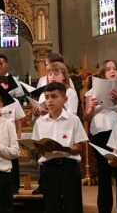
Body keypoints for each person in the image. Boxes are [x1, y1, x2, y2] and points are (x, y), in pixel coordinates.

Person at [32, 82, 88, 213]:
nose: (49, 100)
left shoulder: (73, 120)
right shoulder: (40, 122)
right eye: (47, 97)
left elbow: (80, 147)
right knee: (51, 205)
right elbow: (36, 147)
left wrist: (63, 148)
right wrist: (39, 148)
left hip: (69, 166)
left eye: (54, 96)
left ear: (65, 99)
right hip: (48, 167)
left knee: (72, 205)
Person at [84, 60, 117, 213]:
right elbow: (87, 117)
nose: (112, 71)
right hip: (100, 133)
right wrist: (91, 108)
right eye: (108, 69)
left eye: (115, 68)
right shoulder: (92, 91)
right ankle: (104, 210)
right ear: (102, 74)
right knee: (104, 173)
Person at [0, 76, 26, 194]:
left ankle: (14, 187)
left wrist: (18, 136)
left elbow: (19, 120)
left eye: (2, 84)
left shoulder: (14, 101)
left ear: (7, 86)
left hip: (9, 136)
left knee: (12, 162)